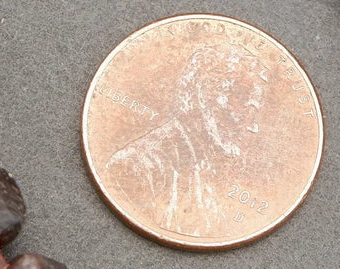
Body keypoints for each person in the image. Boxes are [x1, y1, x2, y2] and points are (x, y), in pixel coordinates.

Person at [104, 40, 267, 238]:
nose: (253, 126)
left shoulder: (210, 169)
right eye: (246, 108)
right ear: (204, 95)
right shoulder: (135, 166)